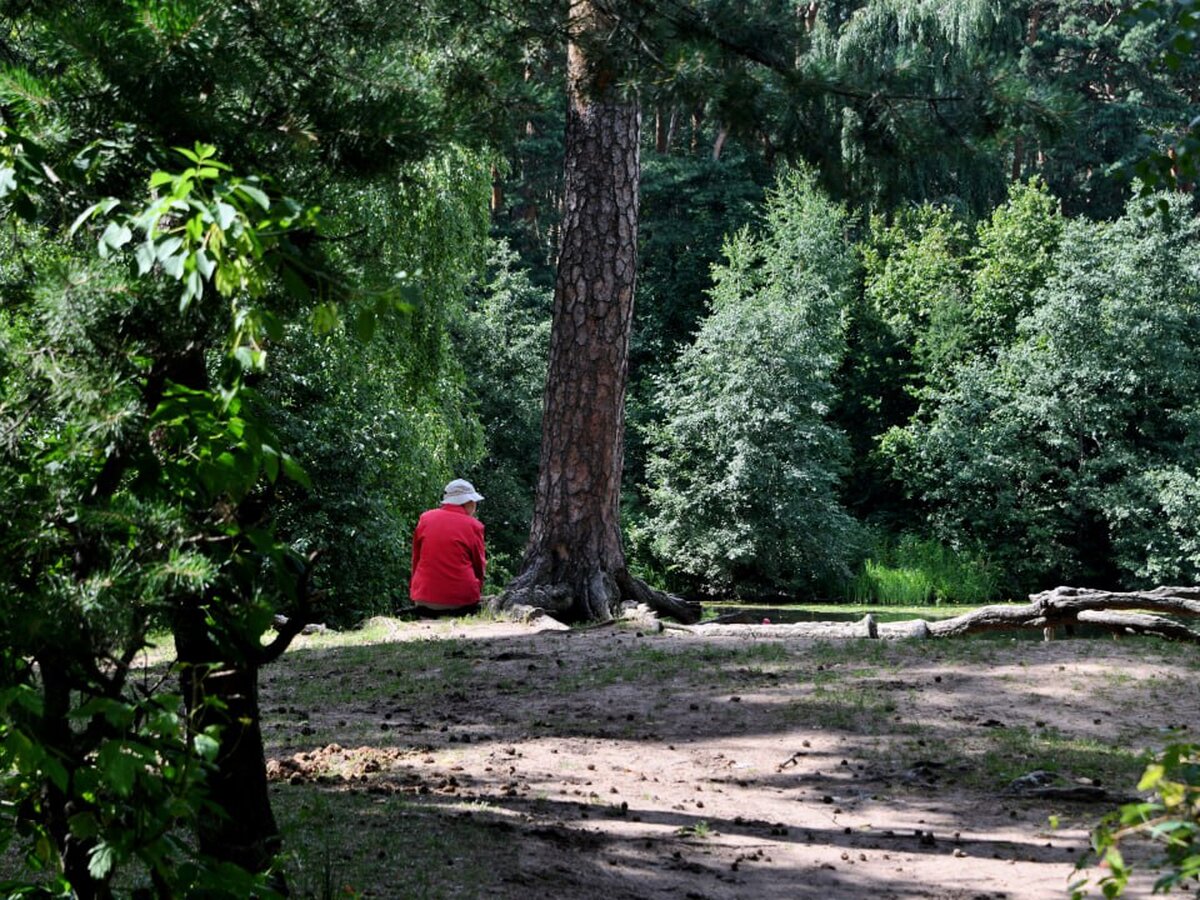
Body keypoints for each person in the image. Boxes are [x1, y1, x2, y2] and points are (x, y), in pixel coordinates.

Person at [409, 479, 486, 617]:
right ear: (467, 502)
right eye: (474, 502)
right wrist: (477, 590)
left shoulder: (425, 518)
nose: (475, 506)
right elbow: (479, 566)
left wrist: (416, 589)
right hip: (460, 600)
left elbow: (416, 558)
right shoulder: (474, 526)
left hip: (423, 599)